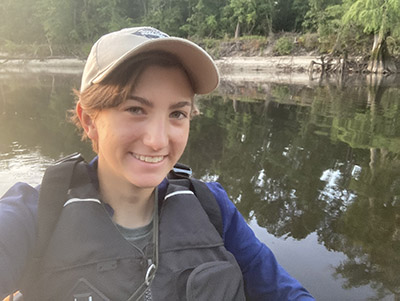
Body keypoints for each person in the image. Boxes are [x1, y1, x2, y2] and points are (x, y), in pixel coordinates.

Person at [0, 27, 314, 300]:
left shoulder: (212, 208)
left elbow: (284, 292)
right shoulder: (35, 213)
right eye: (136, 109)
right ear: (89, 120)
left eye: (177, 113)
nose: (158, 140)